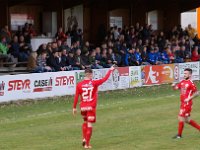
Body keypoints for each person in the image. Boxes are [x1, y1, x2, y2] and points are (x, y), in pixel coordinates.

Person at [73, 65, 115, 149]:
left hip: (83, 107)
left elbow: (76, 96)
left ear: (85, 75)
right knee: (89, 124)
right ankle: (87, 144)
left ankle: (84, 138)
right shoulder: (94, 83)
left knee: (85, 122)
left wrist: (74, 107)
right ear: (90, 75)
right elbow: (105, 79)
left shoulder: (79, 85)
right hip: (91, 107)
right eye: (92, 75)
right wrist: (110, 70)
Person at [172, 68, 200, 139]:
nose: (184, 75)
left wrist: (189, 98)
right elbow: (175, 88)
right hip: (183, 103)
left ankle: (179, 135)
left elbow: (197, 93)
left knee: (181, 118)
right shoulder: (182, 82)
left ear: (190, 74)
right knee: (187, 120)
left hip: (187, 104)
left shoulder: (191, 83)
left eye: (186, 73)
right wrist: (173, 86)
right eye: (184, 73)